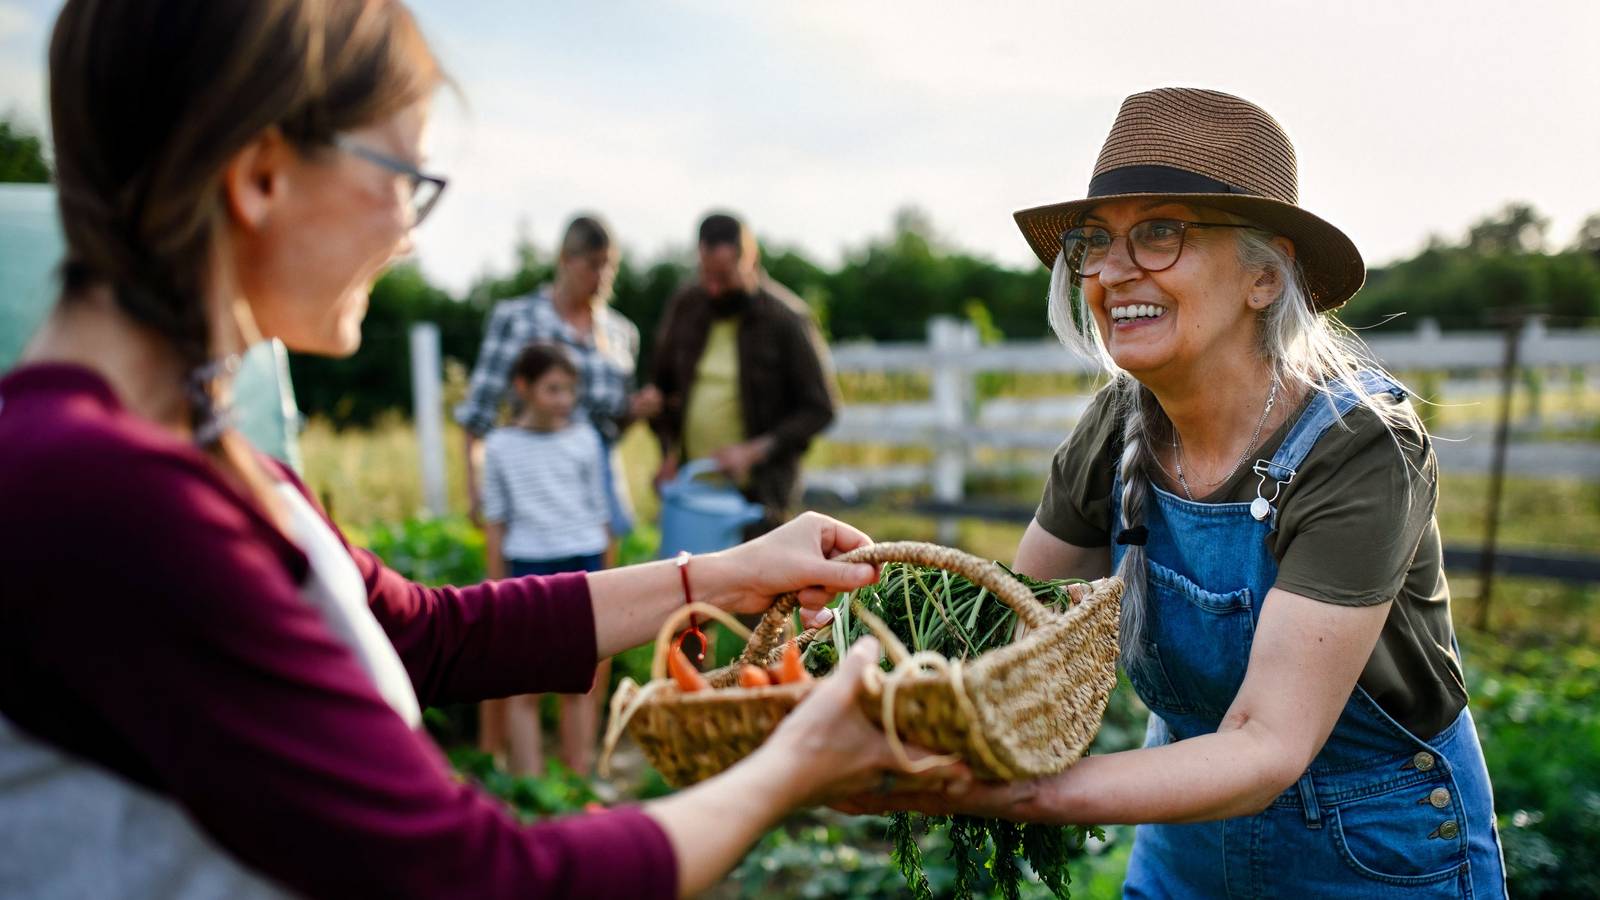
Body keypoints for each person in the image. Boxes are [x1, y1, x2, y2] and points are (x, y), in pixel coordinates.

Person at [0, 3, 954, 897]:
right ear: (260, 177)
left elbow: (424, 636)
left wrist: (720, 576)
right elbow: (475, 878)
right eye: (406, 183)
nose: (410, 241)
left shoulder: (184, 461)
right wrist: (798, 761)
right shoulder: (107, 496)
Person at [857, 88, 1507, 897]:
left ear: (1264, 276)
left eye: (1161, 232)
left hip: (1375, 850)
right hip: (1184, 836)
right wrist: (870, 674)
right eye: (1097, 240)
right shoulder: (1116, 428)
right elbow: (1018, 630)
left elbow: (1267, 743)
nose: (1111, 270)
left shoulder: (1360, 447)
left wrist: (1021, 794)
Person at [456, 213, 658, 552]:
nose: (602, 277)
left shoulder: (621, 333)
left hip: (594, 483)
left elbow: (613, 426)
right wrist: (475, 487)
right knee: (532, 573)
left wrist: (634, 411)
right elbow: (480, 411)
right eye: (593, 265)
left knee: (597, 576)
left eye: (610, 266)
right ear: (566, 259)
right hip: (533, 483)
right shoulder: (518, 319)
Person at [650, 212, 839, 538]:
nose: (713, 288)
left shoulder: (786, 318)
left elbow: (821, 408)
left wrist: (753, 452)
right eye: (706, 274)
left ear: (750, 259)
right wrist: (667, 452)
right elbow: (662, 387)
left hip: (760, 496)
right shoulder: (686, 305)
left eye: (723, 277)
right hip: (695, 490)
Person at [478, 342, 611, 776]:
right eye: (552, 389)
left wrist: (610, 576)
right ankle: (529, 786)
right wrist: (495, 587)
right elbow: (495, 521)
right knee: (526, 684)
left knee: (579, 681)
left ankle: (578, 778)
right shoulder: (500, 445)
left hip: (582, 563)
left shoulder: (585, 439)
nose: (563, 400)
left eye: (569, 390)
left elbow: (600, 513)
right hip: (528, 568)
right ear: (523, 387)